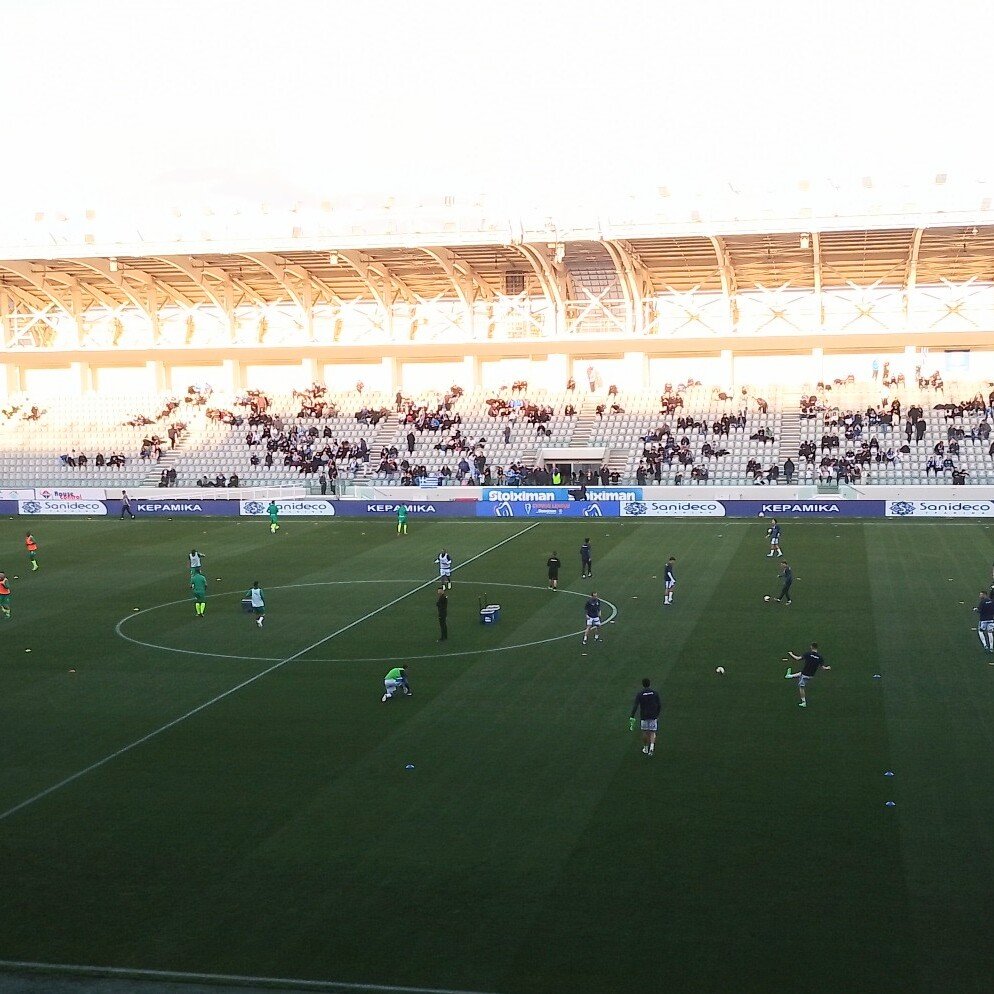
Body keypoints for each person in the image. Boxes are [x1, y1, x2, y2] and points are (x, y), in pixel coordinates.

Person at [785, 642, 830, 708]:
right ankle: (789, 676)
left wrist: (791, 654)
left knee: (801, 687)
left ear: (811, 647)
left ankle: (803, 702)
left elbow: (797, 658)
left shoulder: (808, 654)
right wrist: (827, 668)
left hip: (805, 675)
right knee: (801, 674)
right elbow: (823, 668)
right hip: (811, 675)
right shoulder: (820, 657)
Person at [628, 677, 662, 756]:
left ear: (643, 685)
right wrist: (657, 714)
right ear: (649, 684)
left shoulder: (640, 694)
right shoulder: (655, 693)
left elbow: (635, 705)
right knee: (653, 732)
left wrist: (632, 715)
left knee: (645, 732)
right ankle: (652, 748)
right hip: (653, 715)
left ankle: (646, 748)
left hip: (644, 716)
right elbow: (659, 705)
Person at [974, 590, 994, 655]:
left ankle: (985, 645)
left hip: (983, 620)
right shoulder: (992, 601)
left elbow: (979, 610)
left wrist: (975, 609)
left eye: (981, 595)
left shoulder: (982, 602)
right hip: (991, 619)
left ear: (984, 595)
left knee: (980, 631)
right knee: (990, 633)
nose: (980, 596)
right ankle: (991, 647)